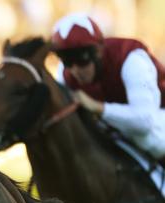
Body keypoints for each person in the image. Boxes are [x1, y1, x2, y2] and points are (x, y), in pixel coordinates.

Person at [51, 12, 165, 164]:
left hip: (157, 122)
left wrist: (97, 107)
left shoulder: (132, 60)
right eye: (67, 61)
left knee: (150, 140)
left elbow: (144, 123)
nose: (75, 70)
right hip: (120, 129)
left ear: (97, 51)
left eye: (81, 59)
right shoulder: (64, 73)